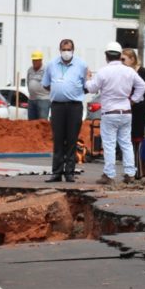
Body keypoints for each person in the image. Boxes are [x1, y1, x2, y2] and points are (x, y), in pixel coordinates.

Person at [86, 42, 145, 185]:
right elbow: (142, 85)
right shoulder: (129, 71)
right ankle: (130, 174)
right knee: (126, 143)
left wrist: (87, 79)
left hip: (110, 113)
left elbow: (92, 89)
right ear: (120, 56)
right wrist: (133, 99)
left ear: (106, 56)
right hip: (126, 111)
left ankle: (109, 175)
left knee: (109, 145)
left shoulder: (103, 72)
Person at [42, 39, 88, 182]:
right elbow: (46, 84)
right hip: (57, 106)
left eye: (68, 49)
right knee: (58, 139)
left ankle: (69, 172)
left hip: (74, 106)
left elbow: (86, 86)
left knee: (72, 139)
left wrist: (71, 92)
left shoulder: (82, 65)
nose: (66, 52)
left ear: (73, 50)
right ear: (59, 50)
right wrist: (59, 91)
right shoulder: (51, 65)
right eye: (64, 49)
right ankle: (56, 172)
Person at [121, 48, 145, 179]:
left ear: (132, 59)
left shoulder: (142, 72)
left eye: (123, 59)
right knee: (128, 141)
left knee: (141, 140)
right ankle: (132, 171)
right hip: (128, 111)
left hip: (141, 111)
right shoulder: (123, 72)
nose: (121, 62)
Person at [26, 51, 50, 120]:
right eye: (33, 60)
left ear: (41, 60)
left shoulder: (46, 70)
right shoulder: (30, 70)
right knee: (31, 123)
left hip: (43, 99)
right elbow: (28, 82)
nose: (34, 62)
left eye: (36, 60)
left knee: (42, 122)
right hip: (32, 99)